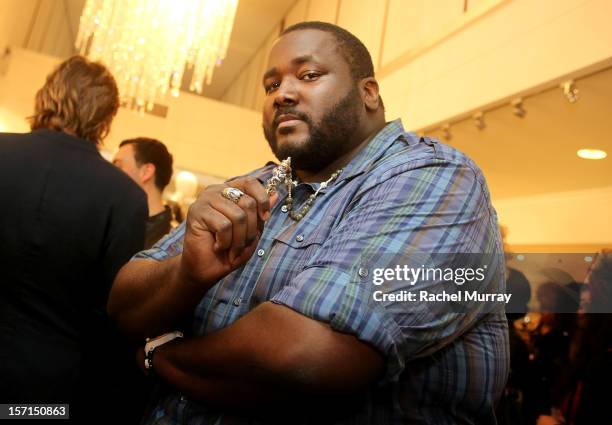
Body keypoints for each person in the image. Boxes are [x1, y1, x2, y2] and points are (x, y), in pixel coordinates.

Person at [109, 22, 509, 424]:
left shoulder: (433, 176)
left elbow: (306, 359)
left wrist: (157, 355)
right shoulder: (251, 187)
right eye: (270, 86)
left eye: (309, 75)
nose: (281, 94)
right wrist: (186, 273)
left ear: (368, 93)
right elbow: (123, 308)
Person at [0, 56, 148, 420]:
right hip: (49, 387)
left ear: (47, 93)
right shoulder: (124, 196)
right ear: (105, 118)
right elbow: (114, 308)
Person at [113, 137, 175, 248]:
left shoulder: (168, 245)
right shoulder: (121, 224)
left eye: (117, 166)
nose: (110, 173)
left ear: (146, 172)